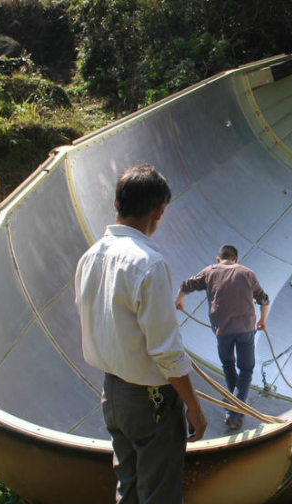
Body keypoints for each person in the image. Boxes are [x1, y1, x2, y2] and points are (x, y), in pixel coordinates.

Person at [75, 164, 207, 504]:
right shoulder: (149, 263)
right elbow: (166, 352)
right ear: (159, 211)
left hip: (113, 394)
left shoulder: (90, 256)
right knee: (159, 495)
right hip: (152, 401)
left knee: (129, 488)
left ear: (117, 204)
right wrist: (193, 405)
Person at [175, 244, 269, 430]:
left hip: (222, 330)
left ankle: (234, 403)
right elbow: (263, 299)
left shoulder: (210, 271)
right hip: (245, 328)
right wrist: (262, 319)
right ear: (236, 260)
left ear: (218, 259)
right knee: (246, 369)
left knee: (228, 364)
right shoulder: (247, 273)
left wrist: (179, 299)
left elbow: (187, 284)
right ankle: (234, 412)